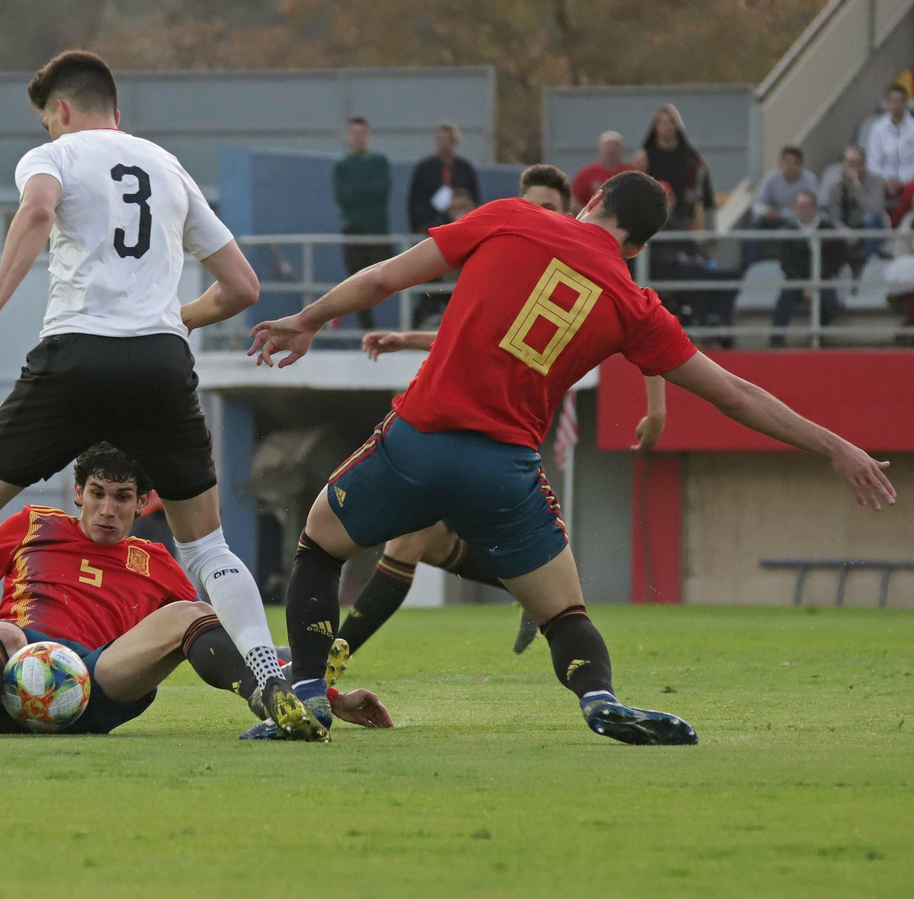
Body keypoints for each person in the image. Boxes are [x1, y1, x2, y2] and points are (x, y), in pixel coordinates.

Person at [246, 171, 894, 746]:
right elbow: (735, 394)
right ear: (637, 246)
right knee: (564, 613)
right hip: (504, 470)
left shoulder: (511, 215)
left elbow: (386, 275)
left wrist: (307, 317)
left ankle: (306, 696)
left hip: (420, 438)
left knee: (321, 543)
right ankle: (599, 696)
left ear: (592, 200)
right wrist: (836, 446)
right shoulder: (636, 303)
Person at [0, 50, 331, 742]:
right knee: (208, 546)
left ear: (59, 111)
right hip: (159, 360)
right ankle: (270, 682)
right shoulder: (168, 167)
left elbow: (36, 212)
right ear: (115, 107)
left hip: (75, 355)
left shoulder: (54, 156)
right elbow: (242, 286)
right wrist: (174, 319)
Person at [0, 444, 392, 737]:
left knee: (192, 610)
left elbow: (230, 632)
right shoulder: (32, 526)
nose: (109, 510)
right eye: (98, 494)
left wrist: (325, 694)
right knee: (1, 630)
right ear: (77, 493)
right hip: (13, 674)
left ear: (144, 504)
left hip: (100, 681)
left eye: (123, 498)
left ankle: (273, 704)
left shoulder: (153, 558)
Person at [339, 166, 667, 662]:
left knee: (406, 545)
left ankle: (323, 662)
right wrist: (408, 339)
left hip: (503, 435)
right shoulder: (521, 237)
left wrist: (657, 405)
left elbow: (650, 339)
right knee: (422, 546)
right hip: (462, 426)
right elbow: (490, 332)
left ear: (580, 207)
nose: (546, 216)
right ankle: (530, 592)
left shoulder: (594, 274)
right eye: (536, 205)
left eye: (553, 207)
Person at [332, 115, 392, 328]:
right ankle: (367, 332)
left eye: (362, 133)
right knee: (357, 284)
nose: (358, 138)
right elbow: (342, 197)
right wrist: (366, 189)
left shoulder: (380, 162)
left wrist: (358, 189)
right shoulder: (342, 166)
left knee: (385, 280)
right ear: (348, 137)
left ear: (368, 135)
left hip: (378, 233)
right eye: (354, 133)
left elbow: (381, 190)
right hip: (353, 233)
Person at [771, 190, 848, 346]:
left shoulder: (829, 229)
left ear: (815, 207)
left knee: (828, 301)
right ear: (794, 208)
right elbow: (786, 262)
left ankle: (818, 338)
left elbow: (836, 259)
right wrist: (804, 283)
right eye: (799, 205)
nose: (803, 209)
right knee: (784, 300)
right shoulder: (787, 231)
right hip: (796, 280)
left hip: (823, 280)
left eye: (807, 205)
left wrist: (817, 281)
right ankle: (776, 341)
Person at [634, 104, 713, 231]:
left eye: (671, 122)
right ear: (655, 127)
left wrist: (710, 229)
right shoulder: (644, 157)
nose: (667, 126)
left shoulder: (692, 159)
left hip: (685, 221)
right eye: (663, 122)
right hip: (654, 221)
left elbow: (705, 195)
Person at [408, 123, 479, 233]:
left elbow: (474, 197)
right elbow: (415, 199)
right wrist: (419, 226)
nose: (444, 143)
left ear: (455, 142)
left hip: (459, 224)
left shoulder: (465, 169)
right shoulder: (424, 168)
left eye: (448, 139)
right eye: (441, 139)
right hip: (430, 223)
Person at [865, 83, 914, 208]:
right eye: (893, 101)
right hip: (884, 181)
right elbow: (873, 162)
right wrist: (887, 181)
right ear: (887, 103)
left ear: (906, 103)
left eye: (900, 101)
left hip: (909, 180)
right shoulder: (877, 129)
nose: (897, 105)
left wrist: (901, 181)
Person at [751, 146, 820, 224]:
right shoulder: (771, 178)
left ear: (801, 164)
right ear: (780, 164)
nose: (790, 167)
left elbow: (815, 209)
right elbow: (757, 204)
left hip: (799, 222)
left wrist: (781, 214)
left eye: (794, 163)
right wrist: (766, 211)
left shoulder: (810, 179)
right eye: (786, 163)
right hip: (774, 220)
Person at [571, 131, 635, 212]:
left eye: (615, 145)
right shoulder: (586, 174)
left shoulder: (632, 173)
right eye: (607, 145)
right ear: (600, 149)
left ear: (622, 149)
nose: (611, 149)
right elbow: (574, 201)